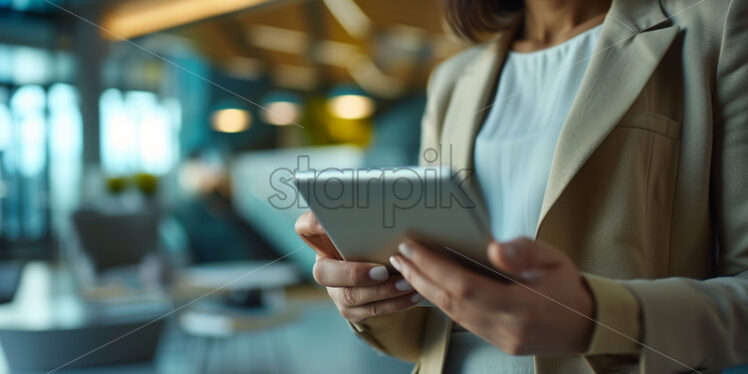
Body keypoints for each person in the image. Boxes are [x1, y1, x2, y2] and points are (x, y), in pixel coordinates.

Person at [295, 0, 748, 372]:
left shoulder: (717, 26)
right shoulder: (454, 79)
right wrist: (369, 298)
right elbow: (424, 335)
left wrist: (594, 319)